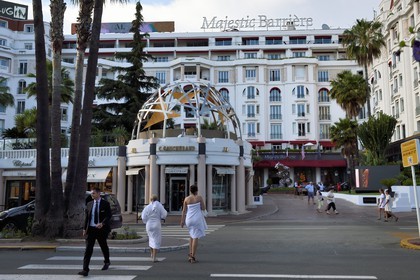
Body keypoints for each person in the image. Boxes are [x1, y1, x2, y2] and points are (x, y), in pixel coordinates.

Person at [78, 187, 112, 277]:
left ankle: (107, 261)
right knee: (88, 250)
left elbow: (109, 215)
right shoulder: (89, 204)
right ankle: (85, 269)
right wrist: (84, 229)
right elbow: (87, 218)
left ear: (98, 193)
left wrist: (102, 223)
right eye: (91, 193)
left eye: (93, 193)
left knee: (103, 246)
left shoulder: (105, 204)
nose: (91, 195)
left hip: (101, 229)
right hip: (91, 229)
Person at [180, 184, 207, 263]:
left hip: (189, 219)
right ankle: (193, 257)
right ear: (196, 190)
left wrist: (182, 221)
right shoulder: (199, 198)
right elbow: (203, 208)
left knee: (191, 236)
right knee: (195, 237)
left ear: (190, 191)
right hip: (196, 219)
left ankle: (190, 254)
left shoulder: (186, 199)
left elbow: (184, 211)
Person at [141, 194, 168, 262]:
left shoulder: (147, 207)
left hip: (149, 224)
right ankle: (154, 257)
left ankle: (151, 254)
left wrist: (146, 221)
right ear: (157, 199)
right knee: (156, 240)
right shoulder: (159, 206)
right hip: (156, 224)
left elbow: (143, 216)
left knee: (151, 239)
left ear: (150, 199)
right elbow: (164, 214)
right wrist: (161, 217)